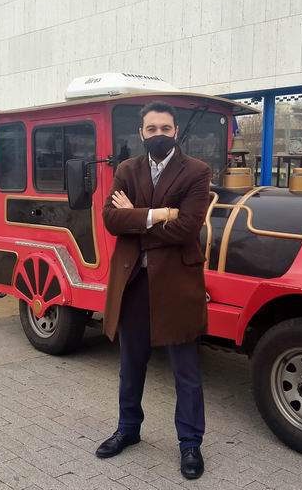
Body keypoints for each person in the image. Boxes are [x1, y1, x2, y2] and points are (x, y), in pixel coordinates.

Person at [97, 101, 211, 480]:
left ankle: (190, 444)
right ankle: (128, 429)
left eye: (165, 128)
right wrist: (160, 213)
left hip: (177, 284)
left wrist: (138, 216)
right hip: (134, 282)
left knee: (186, 372)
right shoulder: (127, 169)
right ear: (141, 133)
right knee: (130, 366)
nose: (158, 134)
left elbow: (187, 229)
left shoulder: (196, 171)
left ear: (175, 131)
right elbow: (112, 220)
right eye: (151, 129)